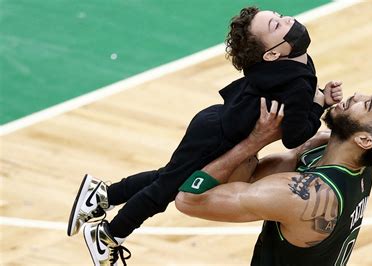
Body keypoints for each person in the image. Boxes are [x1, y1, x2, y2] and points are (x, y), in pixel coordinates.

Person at [66, 6, 344, 265]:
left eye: (280, 17)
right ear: (270, 54)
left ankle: (101, 195)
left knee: (168, 178)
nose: (287, 21)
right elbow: (295, 137)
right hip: (216, 136)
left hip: (214, 123)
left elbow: (295, 107)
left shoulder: (292, 62)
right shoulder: (294, 77)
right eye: (276, 24)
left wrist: (318, 98)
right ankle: (110, 237)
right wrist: (319, 103)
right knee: (165, 191)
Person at [175, 92, 372, 265]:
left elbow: (191, 200)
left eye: (366, 105)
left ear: (364, 140)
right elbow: (248, 177)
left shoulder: (305, 196)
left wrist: (258, 139)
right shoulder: (346, 157)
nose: (356, 96)